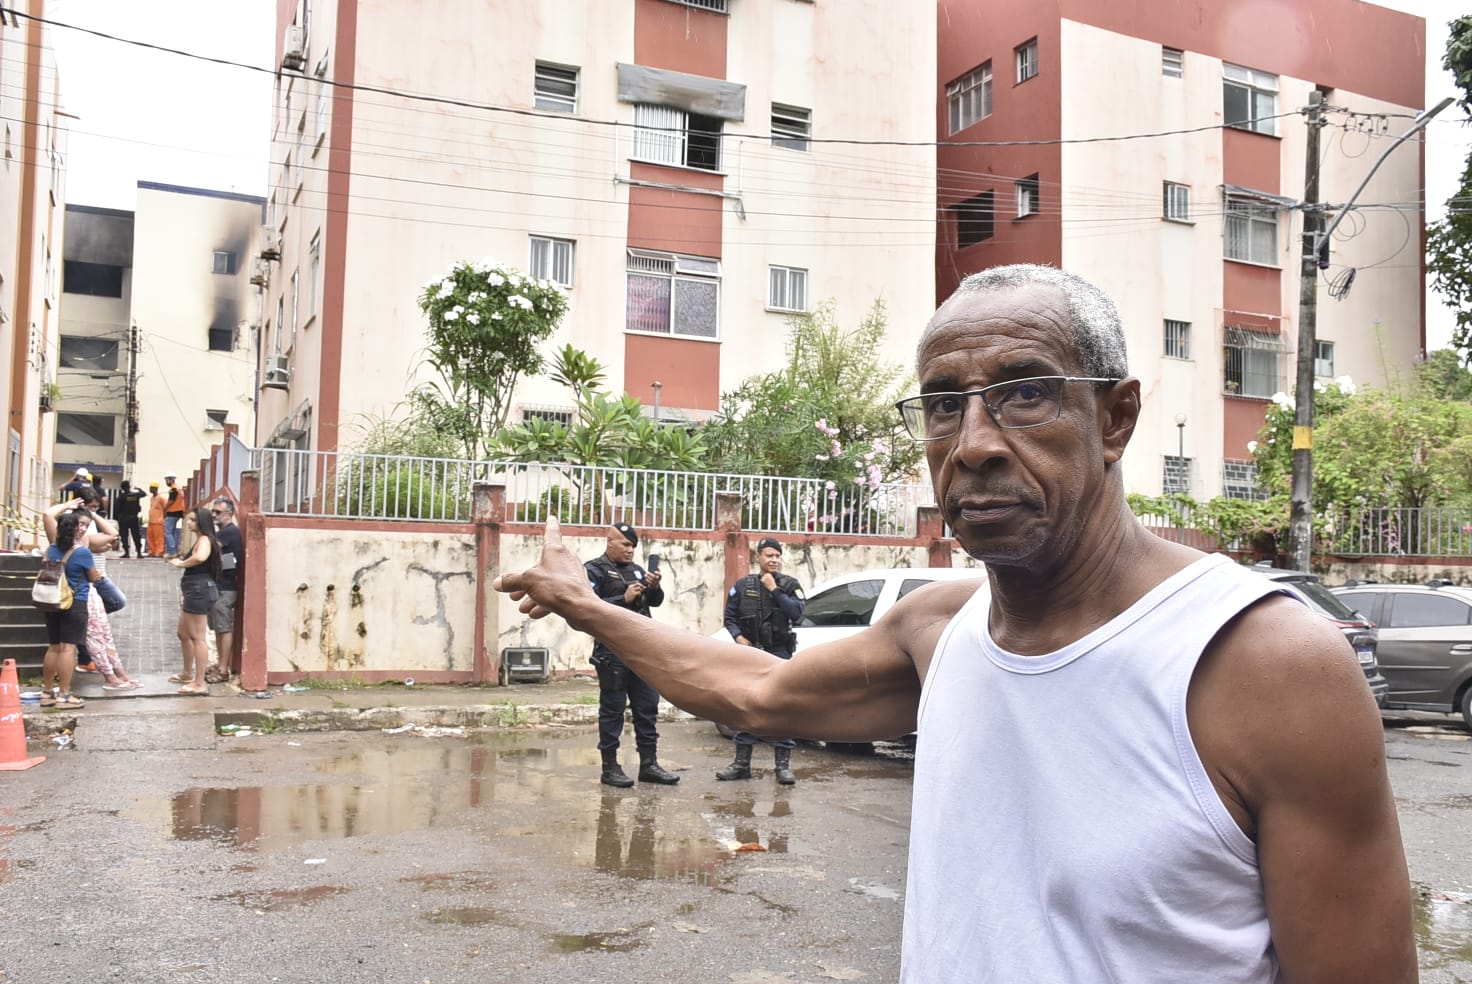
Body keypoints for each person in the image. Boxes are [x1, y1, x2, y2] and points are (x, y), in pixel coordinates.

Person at [495, 264, 1415, 982]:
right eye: (944, 405)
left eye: (1026, 393)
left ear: (1116, 417)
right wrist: (588, 606)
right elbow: (756, 691)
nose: (972, 443)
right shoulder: (942, 628)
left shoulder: (1262, 663)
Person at [582, 522, 678, 788]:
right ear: (610, 541)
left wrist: (654, 587)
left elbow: (654, 602)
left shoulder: (636, 570)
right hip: (612, 651)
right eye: (625, 544)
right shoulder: (594, 570)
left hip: (643, 651)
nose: (629, 550)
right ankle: (610, 768)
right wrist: (622, 599)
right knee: (612, 711)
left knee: (647, 708)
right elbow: (588, 607)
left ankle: (649, 765)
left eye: (633, 546)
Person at [718, 536, 805, 784]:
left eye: (777, 556)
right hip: (750, 655)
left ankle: (782, 768)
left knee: (781, 708)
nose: (774, 560)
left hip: (779, 656)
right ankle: (741, 764)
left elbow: (797, 614)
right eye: (769, 555)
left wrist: (774, 589)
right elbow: (730, 617)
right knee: (746, 707)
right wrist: (738, 637)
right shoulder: (742, 586)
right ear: (758, 557)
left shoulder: (789, 585)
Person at [58, 489, 138, 693]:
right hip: (79, 596)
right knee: (94, 637)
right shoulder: (66, 545)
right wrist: (69, 507)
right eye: (80, 524)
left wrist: (91, 514)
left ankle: (118, 672)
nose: (83, 529)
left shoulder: (83, 542)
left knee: (104, 634)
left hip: (90, 594)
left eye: (86, 525)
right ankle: (109, 676)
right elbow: (93, 575)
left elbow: (112, 534)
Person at [36, 507, 96, 709]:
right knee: (68, 648)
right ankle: (64, 694)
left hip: (51, 601)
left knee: (53, 646)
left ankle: (47, 692)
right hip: (74, 602)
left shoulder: (50, 549)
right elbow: (93, 576)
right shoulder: (82, 552)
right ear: (75, 529)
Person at [167, 506, 221, 694]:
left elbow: (200, 557)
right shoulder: (200, 539)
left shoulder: (205, 540)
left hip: (199, 590)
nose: (188, 523)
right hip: (192, 589)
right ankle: (187, 672)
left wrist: (181, 563)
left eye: (192, 520)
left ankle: (199, 683)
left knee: (198, 637)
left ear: (201, 522)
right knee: (183, 633)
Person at [206, 496, 243, 684]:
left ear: (229, 514)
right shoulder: (225, 533)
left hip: (226, 588)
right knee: (219, 629)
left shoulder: (229, 532)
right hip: (221, 586)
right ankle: (221, 664)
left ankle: (223, 669)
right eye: (212, 512)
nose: (214, 515)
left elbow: (209, 550)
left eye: (218, 512)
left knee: (224, 628)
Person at [113, 480, 146, 559]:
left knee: (124, 536)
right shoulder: (135, 495)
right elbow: (144, 494)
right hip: (133, 518)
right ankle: (139, 553)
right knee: (136, 535)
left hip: (123, 519)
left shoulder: (121, 497)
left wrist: (117, 518)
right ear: (129, 486)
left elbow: (116, 508)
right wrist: (139, 489)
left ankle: (127, 552)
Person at [162, 470, 186, 558]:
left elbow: (171, 501)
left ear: (171, 479)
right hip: (178, 512)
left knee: (168, 533)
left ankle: (172, 552)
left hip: (172, 512)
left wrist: (164, 510)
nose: (166, 481)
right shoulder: (178, 488)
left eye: (167, 479)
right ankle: (175, 551)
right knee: (172, 533)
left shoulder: (174, 489)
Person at [146, 481, 166, 558]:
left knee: (159, 538)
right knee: (150, 537)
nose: (150, 489)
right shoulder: (152, 498)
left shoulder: (161, 498)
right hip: (151, 521)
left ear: (155, 489)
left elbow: (166, 508)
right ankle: (152, 552)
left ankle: (159, 552)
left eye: (151, 488)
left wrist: (163, 517)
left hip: (158, 522)